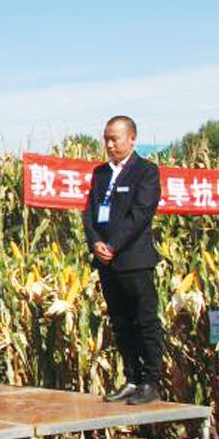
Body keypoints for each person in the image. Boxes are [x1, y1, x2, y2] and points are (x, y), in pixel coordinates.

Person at [83, 115, 163, 405]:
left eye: (114, 139)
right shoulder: (100, 173)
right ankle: (132, 378)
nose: (109, 144)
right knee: (121, 323)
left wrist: (113, 245)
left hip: (134, 260)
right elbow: (89, 213)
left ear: (131, 138)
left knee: (145, 321)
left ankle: (151, 381)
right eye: (106, 138)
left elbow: (140, 214)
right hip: (107, 262)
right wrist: (96, 243)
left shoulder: (146, 171)